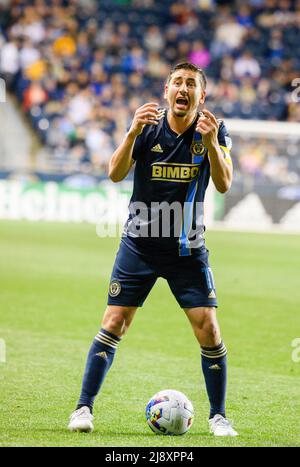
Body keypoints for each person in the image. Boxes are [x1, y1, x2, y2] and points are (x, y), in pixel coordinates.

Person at [68, 62, 238, 437]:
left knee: (208, 328)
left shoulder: (215, 129)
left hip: (187, 249)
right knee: (114, 322)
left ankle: (219, 416)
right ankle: (83, 408)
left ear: (201, 96)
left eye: (190, 84)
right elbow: (114, 173)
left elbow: (224, 184)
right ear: (166, 91)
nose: (183, 88)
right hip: (139, 246)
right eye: (176, 82)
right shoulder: (147, 127)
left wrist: (210, 143)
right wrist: (131, 131)